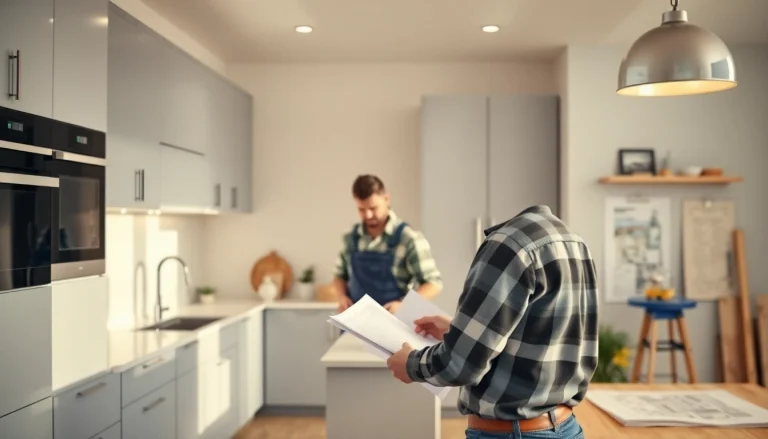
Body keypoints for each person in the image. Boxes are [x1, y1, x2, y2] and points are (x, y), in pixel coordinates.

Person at [386, 205, 598, 439]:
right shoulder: (574, 242)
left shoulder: (507, 246)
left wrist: (410, 364)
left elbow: (459, 364)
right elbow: (543, 334)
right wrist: (458, 329)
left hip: (514, 434)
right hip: (566, 429)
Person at [333, 174, 442, 314]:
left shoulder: (409, 238)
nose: (367, 215)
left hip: (393, 324)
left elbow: (433, 283)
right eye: (361, 209)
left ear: (386, 199)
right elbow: (339, 275)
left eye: (373, 208)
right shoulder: (350, 237)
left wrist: (404, 305)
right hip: (354, 324)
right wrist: (341, 297)